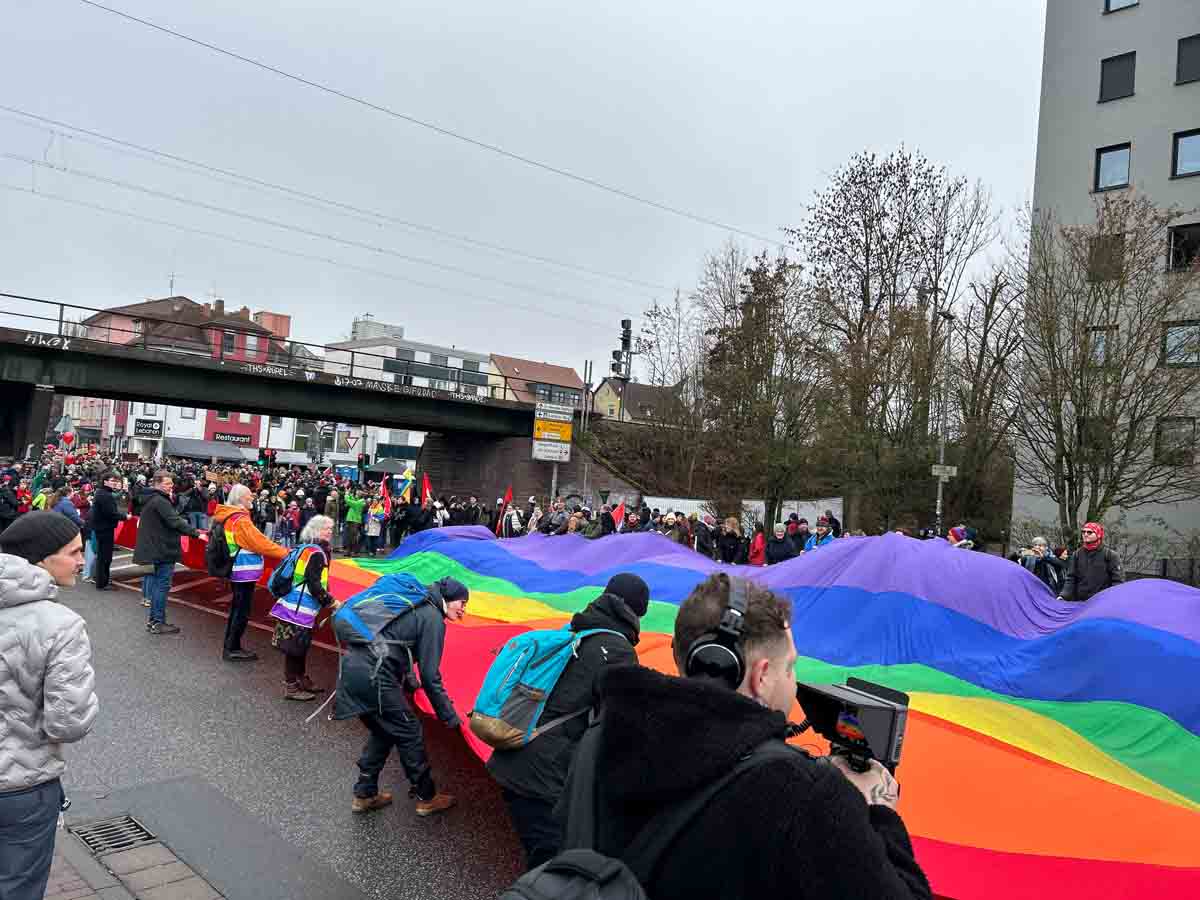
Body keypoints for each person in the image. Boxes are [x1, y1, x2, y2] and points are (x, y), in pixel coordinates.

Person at [558, 573, 931, 900]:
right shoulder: (802, 794)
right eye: (791, 666)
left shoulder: (602, 736)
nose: (793, 680)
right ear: (762, 675)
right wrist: (878, 812)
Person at [488, 573, 649, 870]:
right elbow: (621, 723)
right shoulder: (617, 650)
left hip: (516, 755)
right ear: (637, 611)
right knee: (549, 867)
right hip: (543, 776)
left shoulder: (576, 629)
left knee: (544, 854)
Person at [0, 511, 99, 900]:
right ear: (40, 560)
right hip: (22, 787)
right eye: (73, 552)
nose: (81, 559)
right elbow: (68, 723)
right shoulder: (61, 625)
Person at [333, 576, 467, 817]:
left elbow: (398, 645)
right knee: (409, 731)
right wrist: (450, 717)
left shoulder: (414, 606)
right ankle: (427, 797)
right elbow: (430, 675)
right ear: (448, 600)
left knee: (384, 731)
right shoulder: (433, 618)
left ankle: (364, 794)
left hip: (353, 671)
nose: (464, 610)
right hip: (375, 677)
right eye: (462, 603)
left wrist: (411, 683)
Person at [212, 484, 289, 663]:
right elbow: (260, 543)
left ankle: (231, 646)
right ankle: (233, 648)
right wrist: (287, 553)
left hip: (237, 570)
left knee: (237, 610)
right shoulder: (240, 520)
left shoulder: (230, 516)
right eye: (249, 496)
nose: (252, 498)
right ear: (240, 499)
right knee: (241, 612)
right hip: (243, 571)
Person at [272, 515, 335, 700]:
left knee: (300, 648)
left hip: (295, 607)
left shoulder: (309, 549)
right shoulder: (316, 553)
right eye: (326, 528)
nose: (330, 531)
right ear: (315, 531)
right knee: (294, 650)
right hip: (298, 610)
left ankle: (301, 679)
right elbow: (314, 585)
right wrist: (331, 602)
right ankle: (291, 688)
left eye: (331, 528)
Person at [133, 470, 201, 635]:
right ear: (157, 483)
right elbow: (174, 521)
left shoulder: (151, 498)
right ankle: (158, 622)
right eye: (167, 483)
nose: (171, 486)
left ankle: (155, 621)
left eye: (171, 483)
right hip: (161, 550)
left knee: (158, 586)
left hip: (155, 548)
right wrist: (197, 533)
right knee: (161, 587)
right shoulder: (160, 500)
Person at [1058, 522, 1124, 603]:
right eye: (1083, 532)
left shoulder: (1111, 555)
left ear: (1098, 535)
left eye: (1089, 532)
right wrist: (1063, 596)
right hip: (1080, 603)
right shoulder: (1077, 555)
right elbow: (1071, 578)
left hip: (1102, 603)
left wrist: (1111, 600)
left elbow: (1118, 581)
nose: (1085, 534)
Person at [91, 470, 127, 591]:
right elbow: (111, 513)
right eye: (112, 481)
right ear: (105, 481)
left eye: (116, 481)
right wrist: (125, 517)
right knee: (104, 557)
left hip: (103, 528)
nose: (115, 483)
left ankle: (102, 580)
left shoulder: (103, 493)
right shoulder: (104, 495)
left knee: (104, 556)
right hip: (104, 528)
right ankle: (102, 582)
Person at [344, 489, 366, 554]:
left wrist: (347, 495)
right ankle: (349, 551)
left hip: (354, 521)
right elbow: (353, 499)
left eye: (357, 493)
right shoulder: (359, 501)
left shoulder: (359, 503)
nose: (356, 494)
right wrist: (350, 494)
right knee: (349, 536)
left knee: (353, 537)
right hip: (352, 520)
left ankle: (354, 551)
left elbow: (348, 501)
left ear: (360, 496)